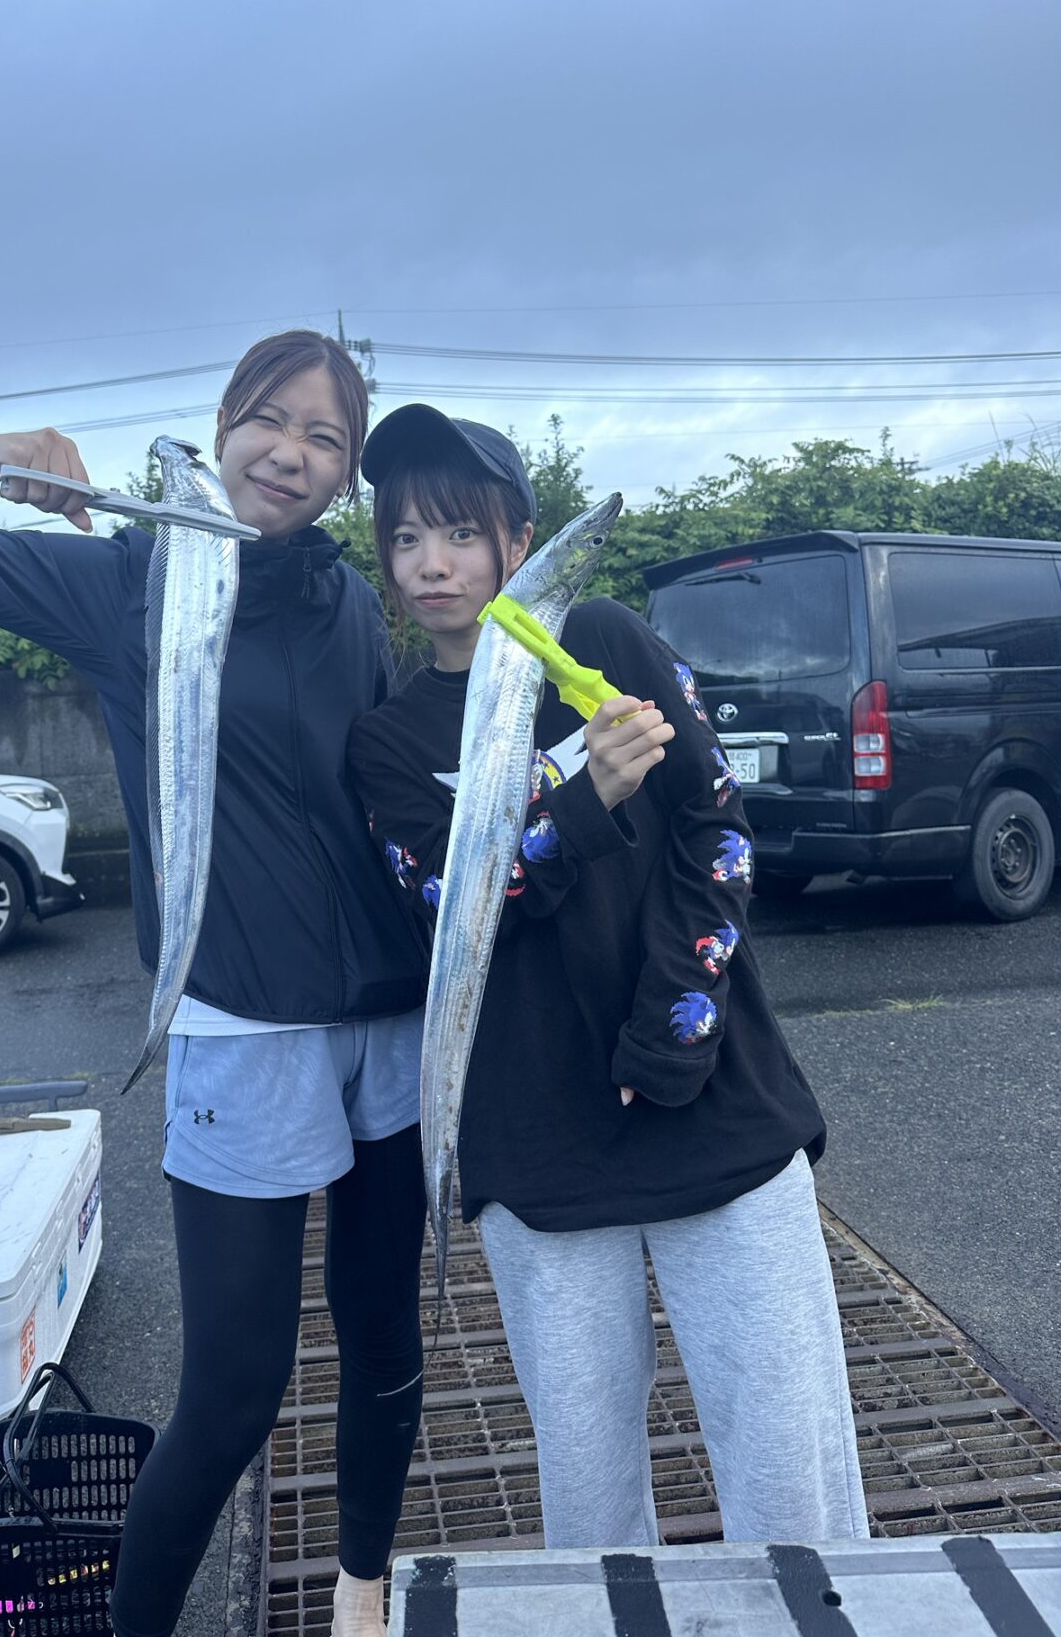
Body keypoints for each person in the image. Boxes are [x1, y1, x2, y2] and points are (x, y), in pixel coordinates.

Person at [0, 332, 429, 1637]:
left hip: (389, 1026)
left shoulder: (350, 604)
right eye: (270, 420)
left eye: (325, 438)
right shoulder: (125, 583)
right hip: (241, 1029)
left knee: (386, 1344)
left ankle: (361, 1593)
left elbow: (388, 795)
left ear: (344, 476)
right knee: (235, 1388)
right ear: (221, 430)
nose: (291, 453)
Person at [346, 404, 869, 1550]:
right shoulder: (389, 741)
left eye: (462, 533)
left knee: (792, 1467)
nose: (433, 564)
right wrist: (582, 805)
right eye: (406, 537)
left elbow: (719, 834)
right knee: (587, 1498)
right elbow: (450, 918)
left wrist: (677, 1027)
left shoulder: (605, 643)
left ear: (520, 540)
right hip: (537, 1141)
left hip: (714, 1104)